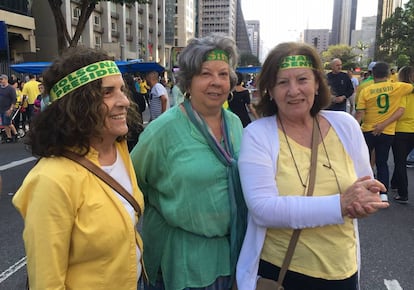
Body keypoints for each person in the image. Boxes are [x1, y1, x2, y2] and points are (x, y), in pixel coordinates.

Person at [236, 42, 389, 290]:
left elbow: (364, 184)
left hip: (344, 269)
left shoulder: (345, 125)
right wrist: (340, 204)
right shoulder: (257, 134)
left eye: (302, 79)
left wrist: (366, 202)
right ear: (270, 91)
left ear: (317, 83)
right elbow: (262, 208)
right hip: (285, 273)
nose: (294, 90)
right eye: (282, 82)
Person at [12, 46, 144, 289]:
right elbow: (46, 283)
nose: (125, 101)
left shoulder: (119, 148)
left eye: (121, 90)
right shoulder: (51, 180)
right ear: (77, 104)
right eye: (107, 92)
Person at [130, 33, 247, 290]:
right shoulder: (164, 129)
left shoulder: (235, 125)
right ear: (188, 81)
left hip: (231, 255)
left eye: (223, 74)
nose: (216, 82)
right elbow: (131, 186)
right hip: (181, 258)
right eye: (206, 74)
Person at [355, 61, 413, 202]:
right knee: (382, 162)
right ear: (388, 74)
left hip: (368, 130)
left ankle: (364, 189)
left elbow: (360, 113)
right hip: (387, 131)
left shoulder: (365, 90)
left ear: (372, 74)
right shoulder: (398, 87)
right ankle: (383, 193)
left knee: (366, 161)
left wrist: (353, 129)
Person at [390, 66, 414, 204]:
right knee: (402, 158)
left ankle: (403, 193)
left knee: (400, 162)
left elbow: (400, 111)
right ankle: (394, 182)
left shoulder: (402, 92)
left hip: (401, 130)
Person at [123, 73, 145, 151]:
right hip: (138, 123)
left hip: (127, 125)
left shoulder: (124, 97)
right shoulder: (139, 95)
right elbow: (143, 108)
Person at [0, 74, 18, 143]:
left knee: (8, 123)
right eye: (0, 79)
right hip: (1, 108)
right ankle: (9, 137)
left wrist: (11, 109)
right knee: (4, 124)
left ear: (6, 80)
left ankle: (16, 134)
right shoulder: (0, 88)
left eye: (2, 79)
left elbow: (14, 99)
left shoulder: (10, 89)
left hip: (8, 108)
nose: (1, 81)